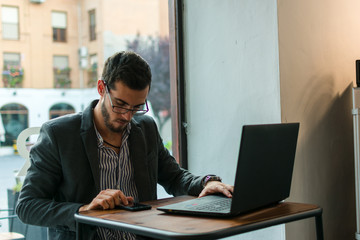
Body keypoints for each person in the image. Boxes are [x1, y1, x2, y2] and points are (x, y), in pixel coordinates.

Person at [16, 51, 233, 240]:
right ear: (102, 88)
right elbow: (27, 206)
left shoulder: (145, 128)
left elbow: (174, 176)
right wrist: (83, 210)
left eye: (137, 107)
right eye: (120, 105)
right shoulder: (59, 134)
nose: (128, 116)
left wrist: (205, 183)